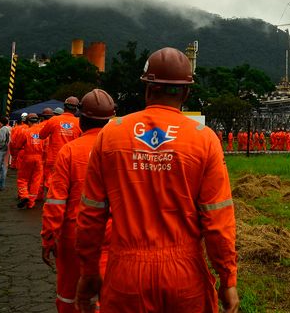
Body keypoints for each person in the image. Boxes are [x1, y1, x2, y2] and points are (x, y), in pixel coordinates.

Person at [75, 48, 238, 312]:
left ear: (147, 87)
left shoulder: (111, 134)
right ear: (186, 92)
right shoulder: (204, 138)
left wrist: (88, 271)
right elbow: (218, 220)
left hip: (125, 275)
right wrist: (227, 277)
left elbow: (91, 216)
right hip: (184, 277)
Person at [42, 89, 116, 312]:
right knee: (108, 296)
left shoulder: (70, 151)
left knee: (68, 296)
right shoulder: (121, 151)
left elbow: (56, 201)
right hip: (113, 234)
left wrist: (48, 237)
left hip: (74, 235)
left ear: (81, 119)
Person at [39, 99, 82, 200]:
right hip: (72, 159)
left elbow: (41, 135)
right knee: (68, 183)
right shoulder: (79, 123)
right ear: (76, 109)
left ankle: (52, 203)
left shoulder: (54, 120)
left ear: (64, 107)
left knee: (52, 183)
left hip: (54, 158)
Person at [10, 113, 45, 209]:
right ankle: (31, 202)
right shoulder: (43, 132)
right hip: (39, 159)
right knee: (36, 181)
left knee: (22, 179)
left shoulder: (25, 131)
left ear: (28, 121)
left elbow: (17, 145)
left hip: (27, 157)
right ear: (37, 120)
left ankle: (24, 195)